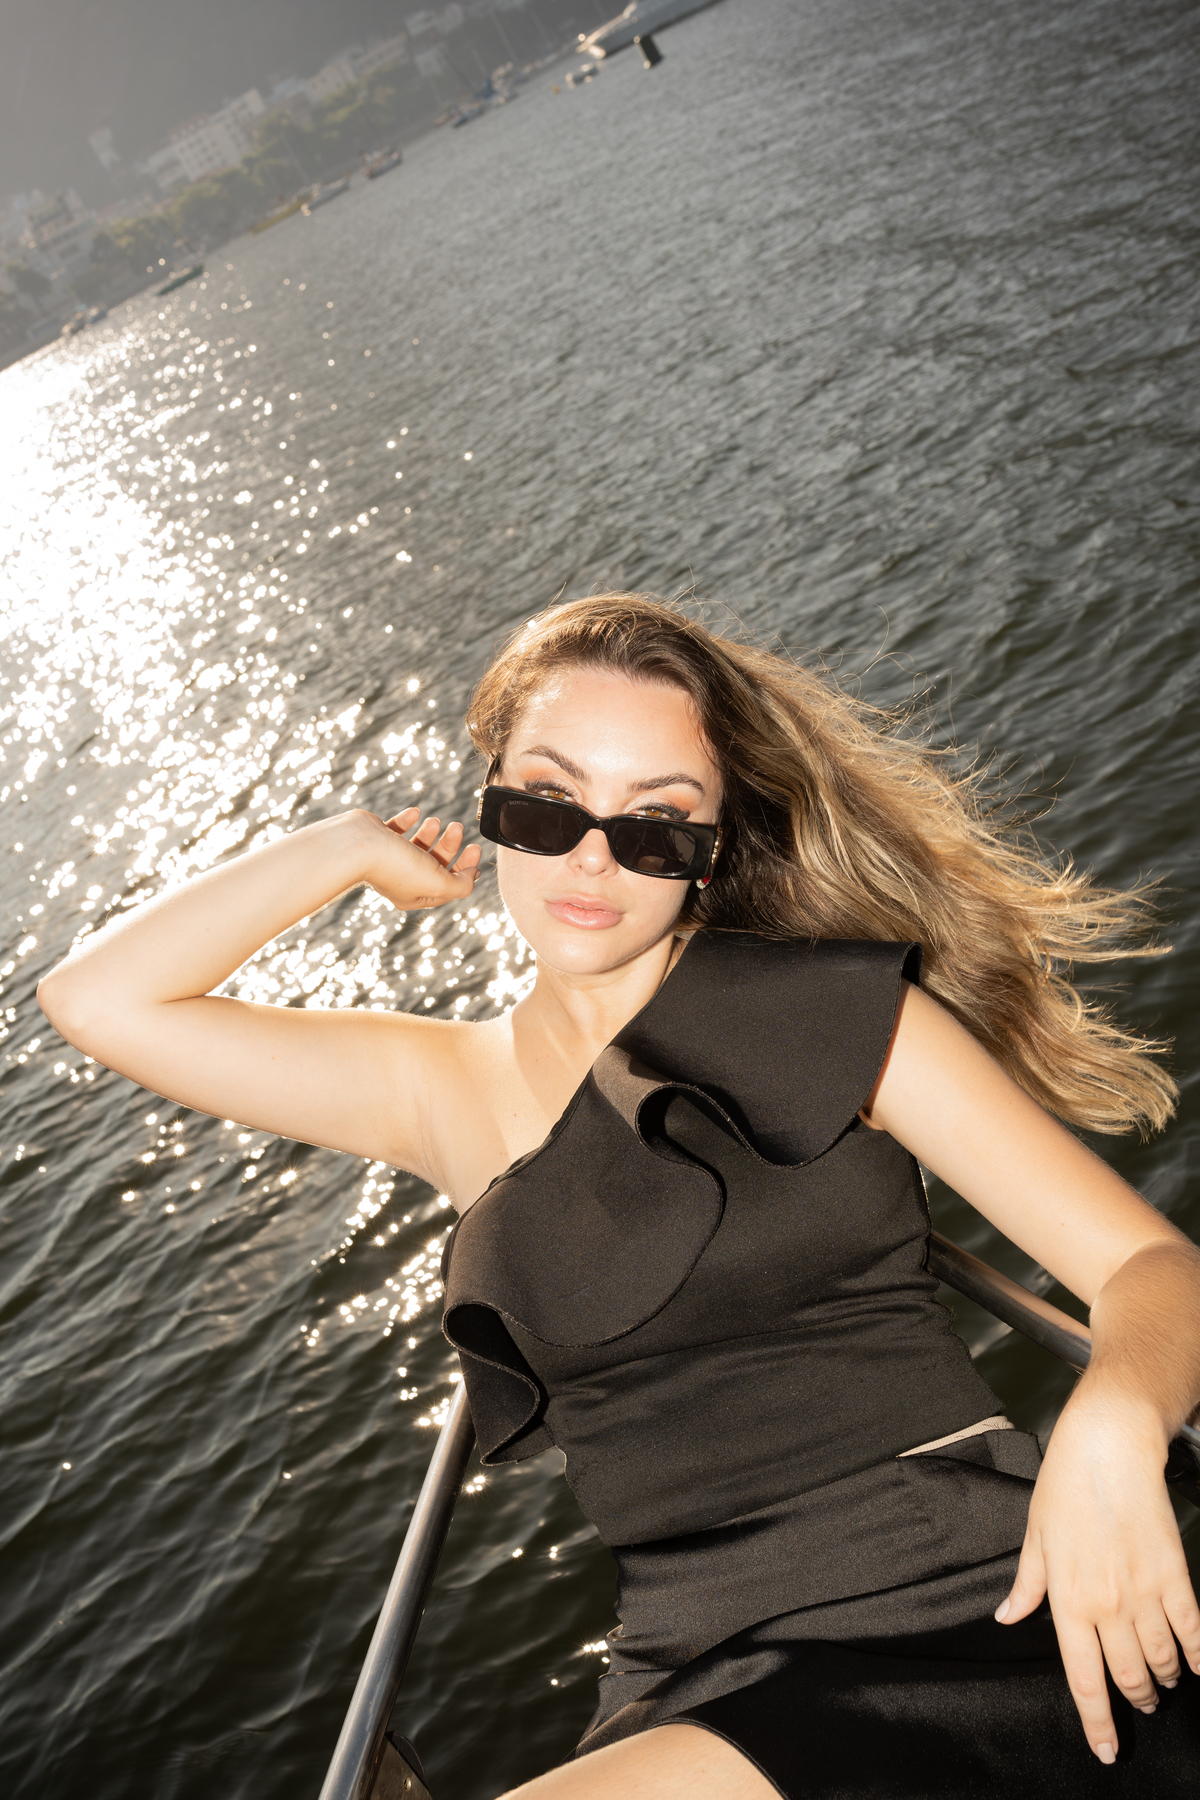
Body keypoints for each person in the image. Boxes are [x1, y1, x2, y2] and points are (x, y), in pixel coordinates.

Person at [38, 593, 1200, 1797]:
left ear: (714, 847)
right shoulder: (437, 1088)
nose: (592, 858)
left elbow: (1151, 1269)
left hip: (957, 1596)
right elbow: (99, 1002)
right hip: (688, 1666)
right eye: (546, 805)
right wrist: (346, 845)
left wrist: (1113, 1424)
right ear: (490, 800)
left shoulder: (835, 1013)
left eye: (656, 822)